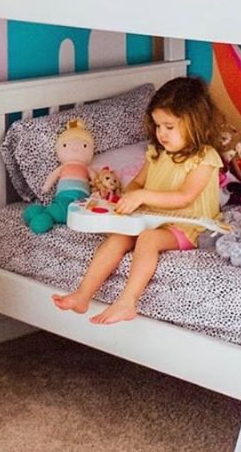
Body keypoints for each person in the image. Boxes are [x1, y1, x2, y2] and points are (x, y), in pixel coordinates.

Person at [52, 76, 225, 325]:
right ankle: (83, 294)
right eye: (157, 125)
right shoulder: (156, 153)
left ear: (195, 122)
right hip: (152, 218)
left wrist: (143, 196)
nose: (161, 133)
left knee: (148, 239)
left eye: (169, 126)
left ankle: (127, 302)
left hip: (189, 226)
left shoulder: (205, 158)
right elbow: (136, 184)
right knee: (118, 237)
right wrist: (129, 196)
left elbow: (184, 197)